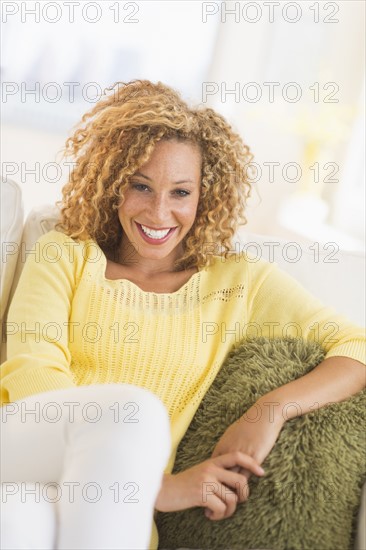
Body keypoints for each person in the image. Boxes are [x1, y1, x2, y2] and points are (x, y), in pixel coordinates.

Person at [1, 79, 365, 550]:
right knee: (134, 412)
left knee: (19, 521)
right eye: (140, 186)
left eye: (180, 193)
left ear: (204, 196)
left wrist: (267, 412)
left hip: (101, 508)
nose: (158, 212)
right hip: (22, 446)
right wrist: (159, 486)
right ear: (113, 184)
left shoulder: (240, 283)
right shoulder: (65, 255)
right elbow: (34, 372)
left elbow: (356, 347)